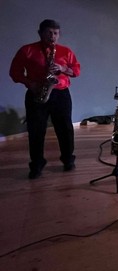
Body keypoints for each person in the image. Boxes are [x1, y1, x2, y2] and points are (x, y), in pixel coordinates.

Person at [9, 19, 81, 179]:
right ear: (40, 33)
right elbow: (15, 72)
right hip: (36, 92)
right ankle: (36, 164)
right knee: (36, 131)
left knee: (65, 129)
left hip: (60, 93)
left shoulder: (66, 51)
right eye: (49, 33)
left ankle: (68, 159)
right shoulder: (27, 50)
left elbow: (76, 71)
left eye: (55, 33)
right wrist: (30, 83)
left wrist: (63, 68)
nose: (52, 36)